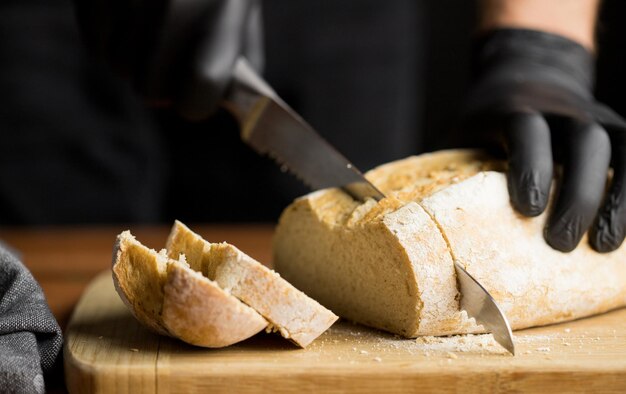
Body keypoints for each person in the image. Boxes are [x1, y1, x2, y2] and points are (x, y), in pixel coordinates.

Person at [2, 0, 625, 254]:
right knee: (56, 296)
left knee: (330, 268)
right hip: (52, 27)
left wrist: (541, 41)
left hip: (338, 24)